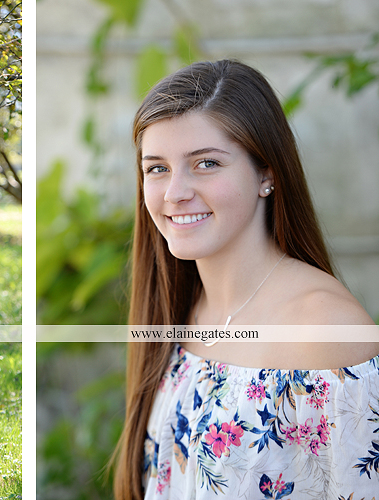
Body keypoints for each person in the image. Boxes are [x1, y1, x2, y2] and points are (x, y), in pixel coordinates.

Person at [112, 60, 379, 499]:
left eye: (206, 163)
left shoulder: (326, 330)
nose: (175, 192)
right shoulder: (181, 306)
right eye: (156, 168)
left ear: (266, 173)